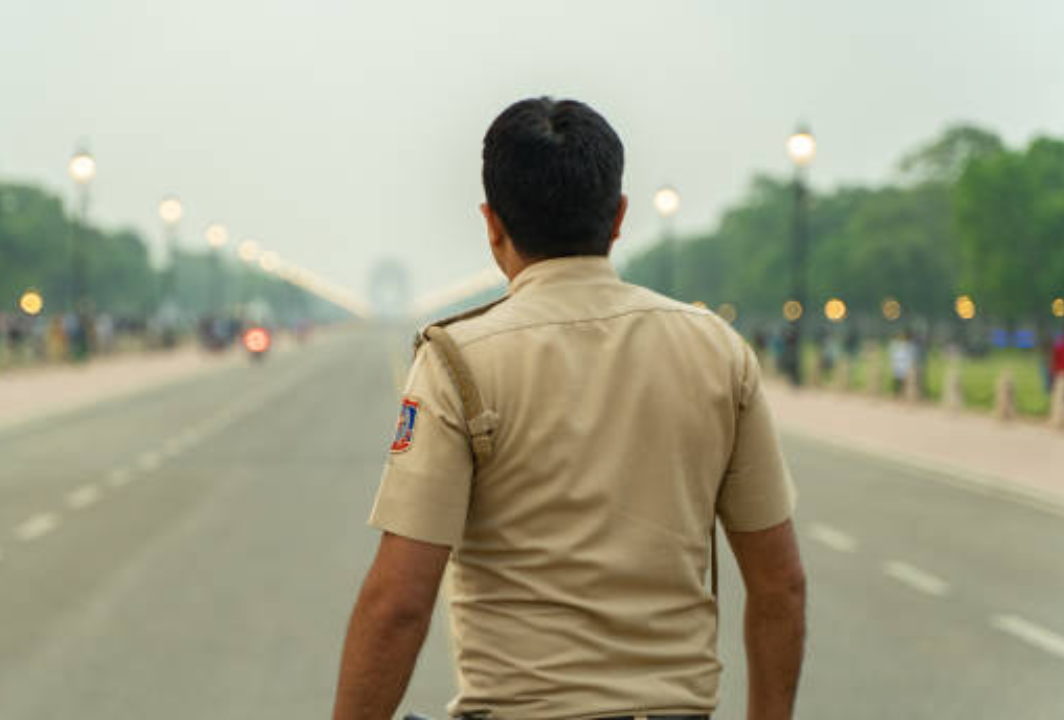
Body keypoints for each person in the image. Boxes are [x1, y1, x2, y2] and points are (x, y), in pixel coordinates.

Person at [334, 98, 805, 720]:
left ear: (492, 224)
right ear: (618, 218)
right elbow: (781, 587)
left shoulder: (458, 360)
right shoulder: (715, 349)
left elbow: (398, 604)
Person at [889, 330, 916, 396]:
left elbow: (910, 357)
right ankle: (897, 393)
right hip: (899, 364)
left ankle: (902, 394)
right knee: (897, 381)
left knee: (904, 381)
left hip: (904, 365)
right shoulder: (897, 344)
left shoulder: (909, 345)